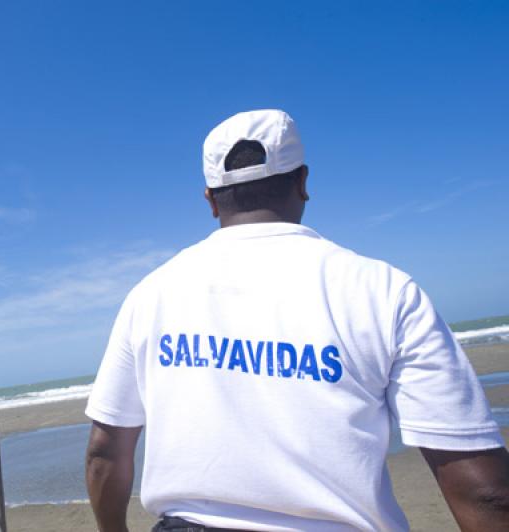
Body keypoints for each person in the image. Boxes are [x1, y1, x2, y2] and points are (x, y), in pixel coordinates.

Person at [84, 109, 509, 532]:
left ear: (211, 200)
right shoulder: (385, 290)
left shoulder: (150, 294)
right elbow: (483, 491)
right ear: (303, 182)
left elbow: (105, 453)